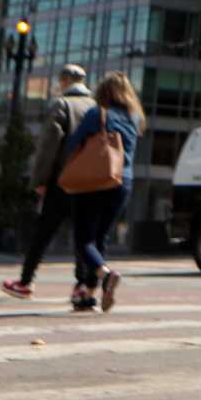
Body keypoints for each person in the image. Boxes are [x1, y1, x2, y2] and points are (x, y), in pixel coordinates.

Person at [2, 64, 95, 300]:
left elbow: (48, 146)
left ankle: (26, 281)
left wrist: (40, 179)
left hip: (62, 180)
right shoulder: (96, 107)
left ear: (64, 81)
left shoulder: (62, 104)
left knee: (43, 232)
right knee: (83, 235)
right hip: (90, 182)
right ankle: (82, 285)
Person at [63, 71, 140, 313]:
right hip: (122, 182)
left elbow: (73, 143)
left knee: (83, 239)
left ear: (102, 92)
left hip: (94, 180)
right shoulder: (134, 117)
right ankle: (88, 291)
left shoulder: (97, 113)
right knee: (100, 238)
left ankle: (105, 275)